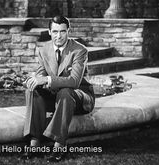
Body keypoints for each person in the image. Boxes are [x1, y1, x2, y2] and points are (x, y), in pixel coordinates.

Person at [23, 15, 95, 162]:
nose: (59, 36)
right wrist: (34, 80)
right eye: (55, 32)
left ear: (68, 31)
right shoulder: (43, 50)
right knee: (33, 90)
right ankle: (35, 143)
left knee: (65, 91)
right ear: (49, 32)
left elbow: (74, 81)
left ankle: (59, 145)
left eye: (63, 31)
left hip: (79, 96)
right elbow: (40, 75)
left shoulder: (79, 50)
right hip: (57, 97)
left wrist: (47, 79)